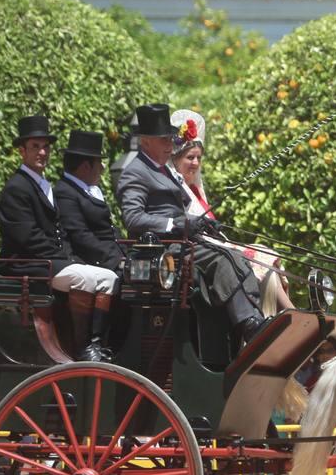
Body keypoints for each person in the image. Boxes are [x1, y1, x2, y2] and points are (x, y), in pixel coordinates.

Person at [115, 104, 268, 342]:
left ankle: (252, 318)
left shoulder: (162, 170)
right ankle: (247, 324)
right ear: (145, 141)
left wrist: (200, 222)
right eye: (164, 139)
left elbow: (177, 211)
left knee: (235, 256)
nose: (170, 144)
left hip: (181, 240)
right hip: (162, 248)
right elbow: (133, 218)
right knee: (223, 259)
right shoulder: (135, 172)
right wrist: (174, 225)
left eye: (171, 138)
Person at [0, 114, 119, 362]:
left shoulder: (44, 185)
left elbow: (58, 230)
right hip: (28, 263)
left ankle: (95, 343)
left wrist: (68, 256)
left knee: (108, 277)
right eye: (35, 147)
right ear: (22, 151)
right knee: (84, 277)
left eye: (45, 147)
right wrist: (64, 257)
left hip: (50, 260)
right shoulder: (16, 189)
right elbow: (28, 238)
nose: (42, 152)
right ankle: (83, 346)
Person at [169, 110, 295, 314]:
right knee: (262, 257)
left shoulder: (196, 189)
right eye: (190, 158)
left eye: (199, 158)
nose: (195, 163)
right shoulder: (175, 188)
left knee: (266, 253)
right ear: (176, 160)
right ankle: (289, 314)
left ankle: (286, 314)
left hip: (213, 242)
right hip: (199, 247)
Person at [54, 130, 125, 271]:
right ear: (86, 167)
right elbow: (81, 236)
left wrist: (128, 253)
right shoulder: (65, 192)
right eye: (100, 163)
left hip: (113, 258)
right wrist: (117, 260)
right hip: (96, 262)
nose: (102, 169)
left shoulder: (87, 189)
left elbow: (110, 230)